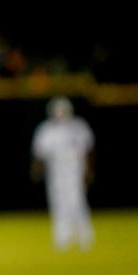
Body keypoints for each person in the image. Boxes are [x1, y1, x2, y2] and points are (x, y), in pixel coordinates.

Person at [31, 96, 96, 251]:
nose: (61, 114)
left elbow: (88, 150)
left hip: (75, 170)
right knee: (58, 204)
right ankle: (62, 238)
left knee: (76, 202)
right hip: (56, 171)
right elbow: (40, 154)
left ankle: (85, 236)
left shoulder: (78, 127)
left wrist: (88, 170)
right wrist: (37, 170)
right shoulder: (46, 130)